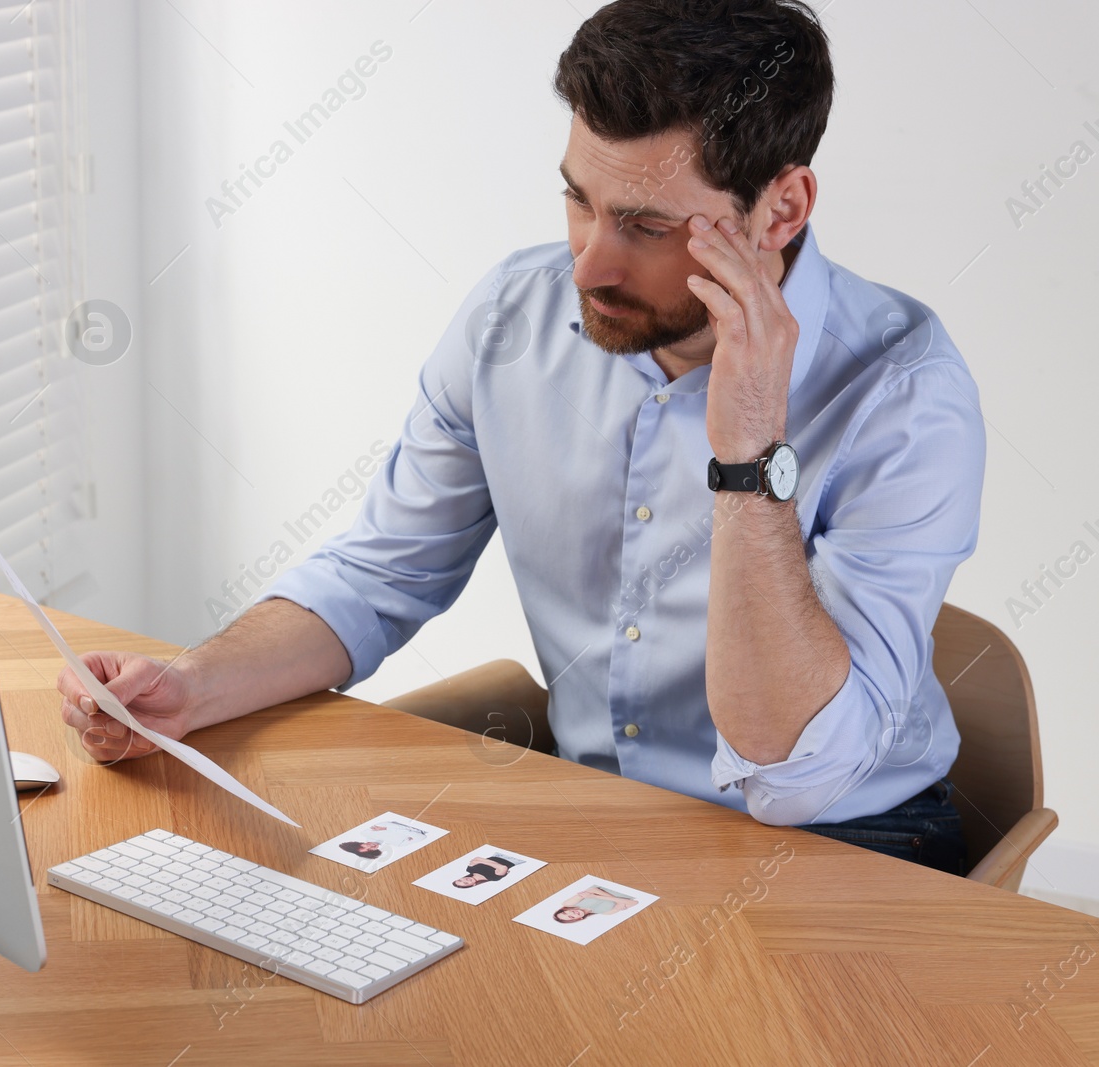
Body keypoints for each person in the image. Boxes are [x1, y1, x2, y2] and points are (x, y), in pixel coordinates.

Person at [56, 0, 979, 877]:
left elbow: (796, 774)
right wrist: (190, 688)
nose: (589, 262)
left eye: (645, 226)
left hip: (848, 837)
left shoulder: (904, 392)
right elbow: (382, 576)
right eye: (578, 199)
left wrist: (747, 451)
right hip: (596, 811)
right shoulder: (512, 317)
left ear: (780, 210)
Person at [554, 886, 640, 923]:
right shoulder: (607, 913)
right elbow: (634, 903)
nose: (571, 913)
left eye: (565, 913)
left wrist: (618, 901)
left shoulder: (568, 903)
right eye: (571, 917)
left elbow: (593, 889)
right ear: (579, 918)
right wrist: (594, 896)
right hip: (631, 890)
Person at [453, 855, 520, 889]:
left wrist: (497, 866)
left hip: (497, 854)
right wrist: (483, 861)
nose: (465, 880)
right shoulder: (493, 878)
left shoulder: (469, 869)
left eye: (460, 880)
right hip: (514, 859)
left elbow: (477, 858)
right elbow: (504, 867)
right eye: (465, 883)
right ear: (473, 885)